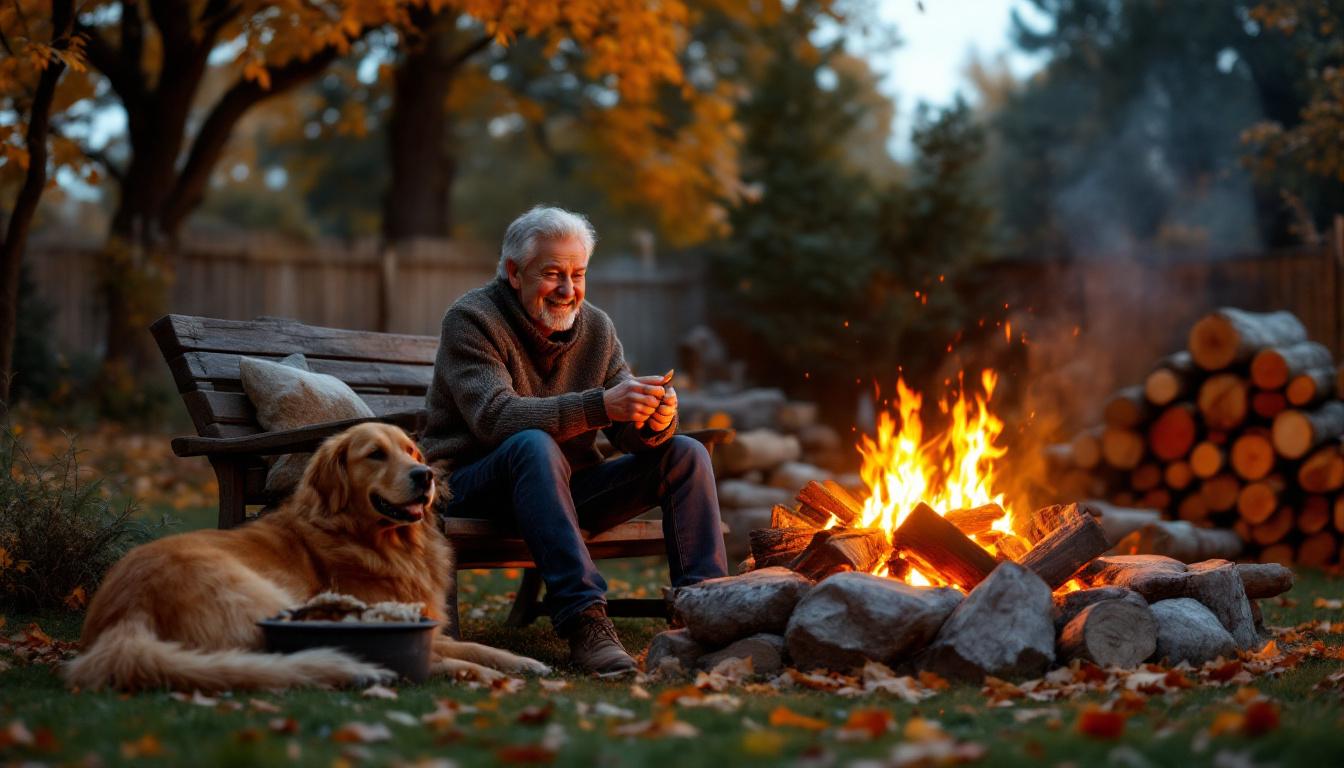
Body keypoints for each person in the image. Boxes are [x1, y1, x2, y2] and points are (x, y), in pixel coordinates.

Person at [420, 205, 729, 676]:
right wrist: (602, 405)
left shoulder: (597, 328)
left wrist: (652, 419)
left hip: (562, 492)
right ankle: (585, 621)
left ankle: (707, 615)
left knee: (684, 453)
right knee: (531, 444)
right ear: (513, 272)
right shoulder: (471, 319)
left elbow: (629, 435)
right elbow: (495, 418)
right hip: (473, 488)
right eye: (552, 274)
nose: (568, 290)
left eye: (578, 274)